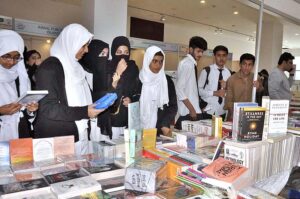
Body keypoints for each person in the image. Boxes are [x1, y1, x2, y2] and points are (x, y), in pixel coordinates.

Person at [34, 24, 105, 155]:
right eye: (83, 45)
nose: (87, 50)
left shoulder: (77, 67)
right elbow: (49, 108)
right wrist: (85, 112)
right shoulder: (50, 68)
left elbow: (85, 97)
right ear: (71, 43)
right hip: (62, 136)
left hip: (81, 132)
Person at [0, 30, 38, 141]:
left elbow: (26, 112)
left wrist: (31, 110)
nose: (11, 62)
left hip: (20, 132)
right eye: (6, 56)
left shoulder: (21, 78)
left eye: (16, 57)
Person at [139, 46, 177, 136]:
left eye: (161, 62)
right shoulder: (138, 80)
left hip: (160, 129)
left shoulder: (167, 81)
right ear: (148, 60)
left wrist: (164, 123)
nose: (158, 65)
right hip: (139, 129)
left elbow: (173, 105)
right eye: (154, 61)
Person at [107, 36, 140, 139]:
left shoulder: (133, 68)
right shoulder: (107, 68)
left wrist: (131, 100)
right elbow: (105, 93)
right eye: (119, 52)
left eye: (126, 52)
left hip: (129, 119)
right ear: (113, 52)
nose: (123, 56)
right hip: (111, 119)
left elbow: (138, 92)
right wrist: (118, 72)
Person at [79, 39, 113, 140]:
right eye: (102, 53)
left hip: (103, 120)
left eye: (107, 54)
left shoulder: (106, 72)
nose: (105, 58)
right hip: (85, 120)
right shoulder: (80, 72)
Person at [175, 36, 208, 130]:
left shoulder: (189, 63)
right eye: (198, 51)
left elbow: (190, 89)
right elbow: (179, 89)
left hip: (190, 111)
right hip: (188, 113)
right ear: (190, 49)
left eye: (202, 51)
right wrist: (192, 109)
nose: (200, 54)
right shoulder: (188, 64)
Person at [224, 53, 263, 121]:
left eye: (249, 65)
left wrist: (259, 87)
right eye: (244, 64)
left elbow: (261, 90)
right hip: (235, 115)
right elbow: (229, 101)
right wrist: (234, 116)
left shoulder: (256, 77)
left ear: (253, 66)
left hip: (251, 114)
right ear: (240, 64)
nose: (246, 67)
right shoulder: (232, 79)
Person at [198, 45, 232, 120]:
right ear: (214, 56)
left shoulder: (229, 73)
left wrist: (227, 88)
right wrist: (214, 93)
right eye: (219, 55)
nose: (221, 58)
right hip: (207, 110)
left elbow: (231, 93)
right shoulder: (206, 71)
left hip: (222, 111)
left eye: (224, 55)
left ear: (226, 57)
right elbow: (198, 91)